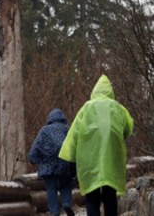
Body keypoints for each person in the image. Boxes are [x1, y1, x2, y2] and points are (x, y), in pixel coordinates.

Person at [59, 74, 134, 216]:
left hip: (89, 161)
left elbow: (74, 133)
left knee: (92, 198)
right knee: (110, 197)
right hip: (111, 160)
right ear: (110, 92)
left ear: (94, 91)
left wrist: (70, 157)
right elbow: (128, 128)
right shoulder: (117, 108)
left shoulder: (86, 108)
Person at [28, 108, 75, 216]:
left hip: (48, 167)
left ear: (50, 119)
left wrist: (32, 159)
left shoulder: (44, 130)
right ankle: (67, 204)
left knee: (51, 189)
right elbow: (74, 146)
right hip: (65, 165)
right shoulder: (67, 129)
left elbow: (36, 147)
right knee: (65, 186)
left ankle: (54, 212)